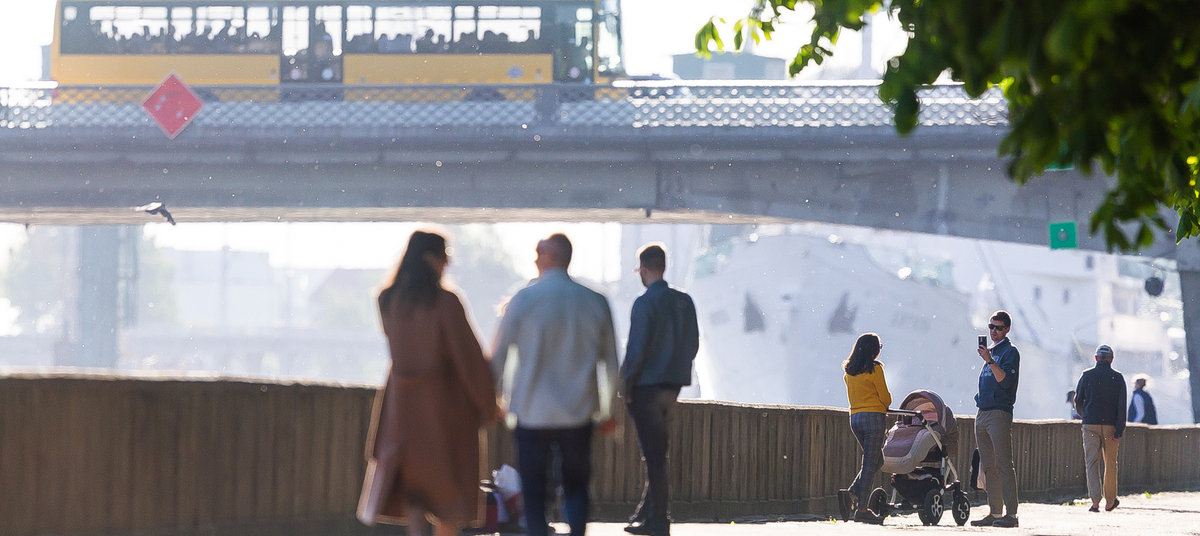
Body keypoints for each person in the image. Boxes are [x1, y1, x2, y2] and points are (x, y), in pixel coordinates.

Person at [357, 231, 500, 536]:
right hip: (442, 406)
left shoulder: (388, 300)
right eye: (444, 254)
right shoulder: (445, 301)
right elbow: (468, 357)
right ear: (430, 258)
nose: (448, 261)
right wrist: (488, 403)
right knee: (449, 490)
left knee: (413, 489)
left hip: (400, 405)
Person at [491, 233, 620, 536]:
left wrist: (494, 400)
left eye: (539, 252)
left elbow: (497, 357)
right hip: (578, 412)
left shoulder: (523, 299)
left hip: (532, 411)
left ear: (552, 256)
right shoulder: (595, 300)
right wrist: (608, 411)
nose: (535, 258)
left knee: (534, 489)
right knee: (577, 485)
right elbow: (612, 363)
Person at [620, 244, 700, 536]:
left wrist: (625, 383)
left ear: (643, 269)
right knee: (658, 451)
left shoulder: (644, 303)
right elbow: (693, 345)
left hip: (646, 387)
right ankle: (647, 513)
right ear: (664, 266)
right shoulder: (684, 301)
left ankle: (659, 520)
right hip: (673, 385)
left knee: (653, 454)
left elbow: (636, 349)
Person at [971, 310, 1021, 528]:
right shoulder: (990, 352)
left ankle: (1011, 514)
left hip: (999, 413)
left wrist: (990, 360)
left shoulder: (1010, 352)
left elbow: (1005, 381)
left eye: (998, 328)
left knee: (1003, 464)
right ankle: (995, 511)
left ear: (1007, 329)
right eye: (991, 327)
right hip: (982, 411)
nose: (993, 331)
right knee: (988, 465)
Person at [838, 333, 891, 525]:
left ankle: (851, 495)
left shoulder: (849, 372)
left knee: (877, 460)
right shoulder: (875, 369)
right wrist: (884, 403)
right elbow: (885, 397)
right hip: (873, 418)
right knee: (869, 463)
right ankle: (862, 509)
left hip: (855, 418)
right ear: (874, 350)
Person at [1074, 344, 1127, 512]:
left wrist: (1086, 416)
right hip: (1111, 425)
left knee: (1091, 462)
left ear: (1096, 358)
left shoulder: (1086, 375)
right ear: (1111, 360)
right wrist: (1119, 429)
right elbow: (1122, 407)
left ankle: (1095, 501)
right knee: (1110, 463)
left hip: (1090, 424)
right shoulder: (1118, 378)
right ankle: (1110, 500)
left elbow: (1078, 400)